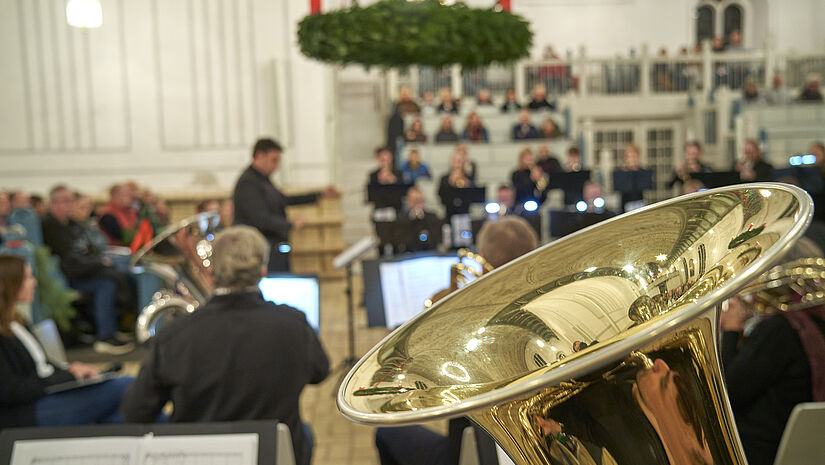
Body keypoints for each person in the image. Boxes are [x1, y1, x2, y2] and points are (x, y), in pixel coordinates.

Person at [122, 226, 328, 465]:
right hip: (273, 452)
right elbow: (320, 372)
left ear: (211, 271)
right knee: (306, 433)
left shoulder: (174, 335)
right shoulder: (294, 322)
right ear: (262, 270)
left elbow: (135, 412)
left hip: (200, 456)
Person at [375, 217, 537, 465]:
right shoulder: (541, 312)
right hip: (532, 444)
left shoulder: (467, 326)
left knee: (387, 432)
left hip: (469, 451)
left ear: (482, 260)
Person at [0, 255, 133, 428]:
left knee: (120, 416)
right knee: (126, 385)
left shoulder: (17, 322)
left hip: (45, 396)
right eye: (27, 278)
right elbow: (11, 391)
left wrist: (69, 369)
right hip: (27, 412)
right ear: (8, 284)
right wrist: (66, 376)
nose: (34, 282)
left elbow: (42, 366)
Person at [721, 291, 825, 465]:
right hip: (797, 453)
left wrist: (731, 330)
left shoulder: (778, 330)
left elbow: (726, 394)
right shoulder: (816, 326)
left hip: (756, 452)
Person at [41, 185, 134, 354]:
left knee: (116, 274)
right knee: (107, 282)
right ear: (53, 203)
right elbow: (69, 261)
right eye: (65, 201)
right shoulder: (50, 225)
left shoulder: (68, 224)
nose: (70, 205)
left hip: (78, 270)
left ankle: (114, 328)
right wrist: (98, 263)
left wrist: (97, 262)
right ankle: (105, 336)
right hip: (63, 278)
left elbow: (83, 252)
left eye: (71, 201)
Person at [232, 138, 338, 273]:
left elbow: (283, 200)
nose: (277, 165)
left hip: (272, 247)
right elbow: (260, 219)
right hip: (257, 251)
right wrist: (290, 224)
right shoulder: (248, 183)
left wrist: (319, 195)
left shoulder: (263, 181)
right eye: (274, 160)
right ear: (259, 156)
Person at [394, 187, 441, 253]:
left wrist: (422, 219)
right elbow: (400, 239)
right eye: (415, 201)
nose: (417, 204)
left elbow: (436, 239)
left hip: (429, 253)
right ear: (408, 201)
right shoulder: (401, 218)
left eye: (420, 200)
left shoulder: (432, 217)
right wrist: (413, 219)